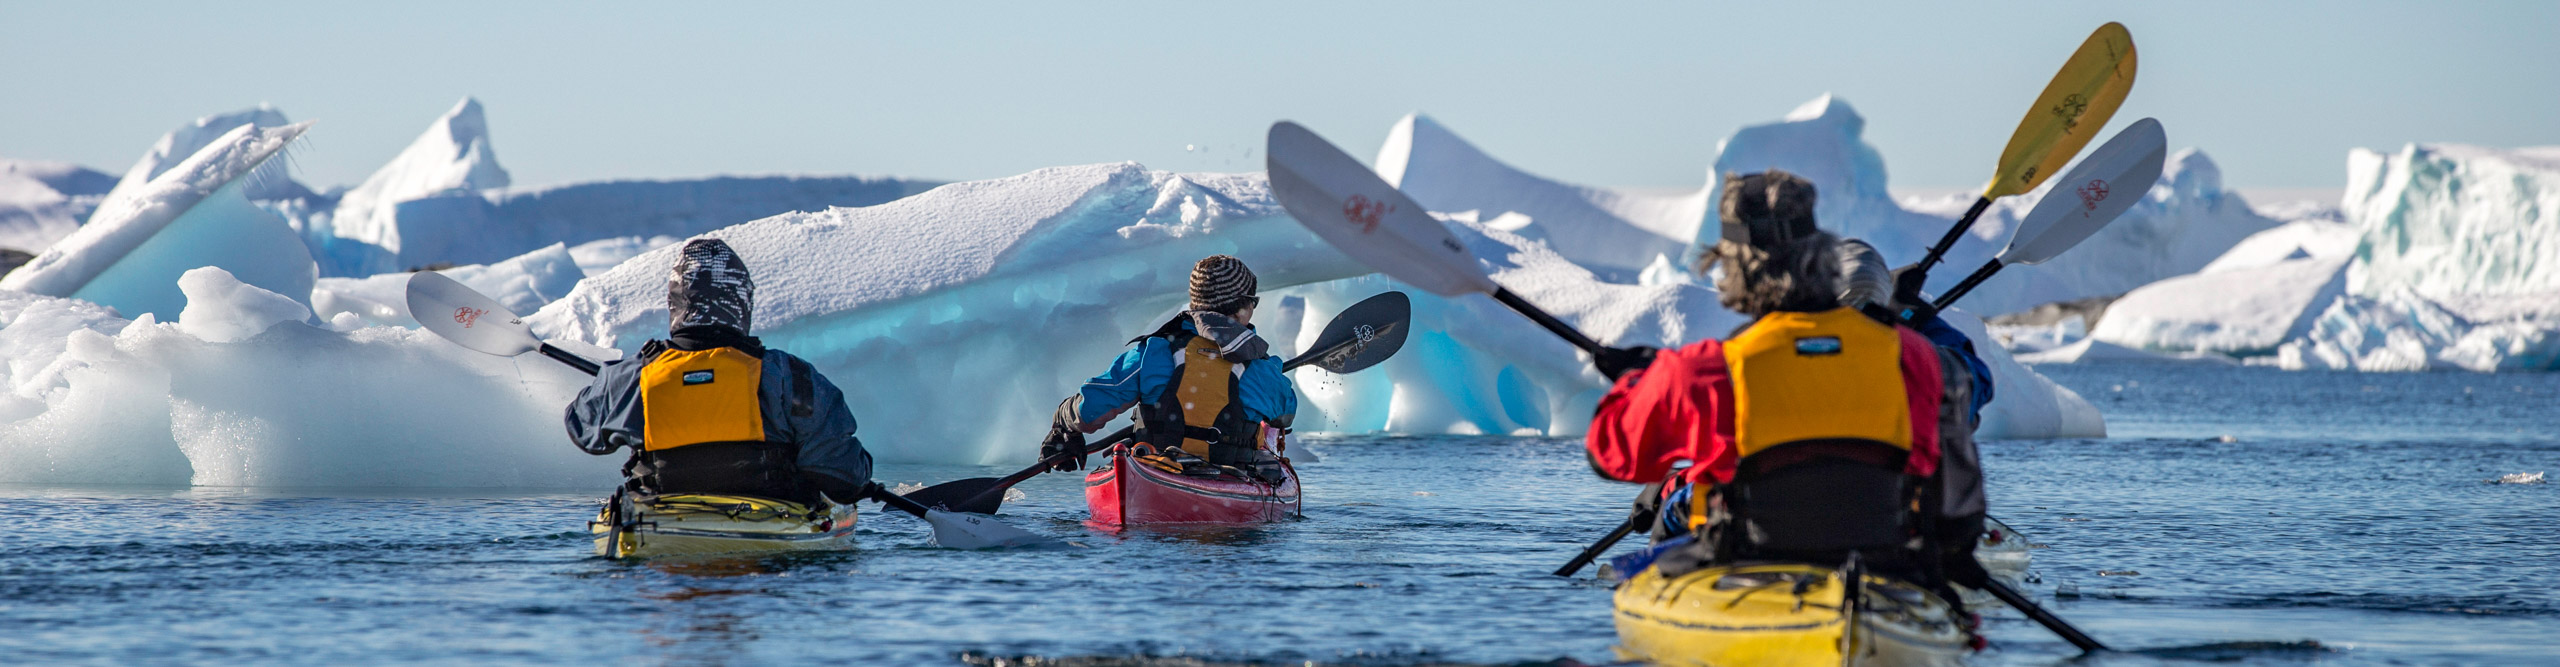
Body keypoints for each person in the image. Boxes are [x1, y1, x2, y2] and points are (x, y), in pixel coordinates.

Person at [1583, 169, 1971, 595]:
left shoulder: (1705, 368)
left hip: (1747, 561)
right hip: (1884, 559)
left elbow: (1613, 456)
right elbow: (1942, 460)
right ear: (1820, 254)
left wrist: (1635, 383)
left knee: (1675, 516)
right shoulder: (1914, 356)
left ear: (1734, 264)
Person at [564, 239, 875, 506]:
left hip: (660, 522)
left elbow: (584, 432)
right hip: (769, 519)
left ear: (675, 302)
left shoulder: (635, 373)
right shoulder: (789, 375)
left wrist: (613, 384)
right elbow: (838, 474)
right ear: (741, 303)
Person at [1042, 255, 1297, 482]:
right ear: (1241, 308)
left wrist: (1062, 426)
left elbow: (1089, 410)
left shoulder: (1155, 351)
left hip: (1156, 467)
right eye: (1253, 302)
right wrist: (1271, 372)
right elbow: (1284, 416)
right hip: (1228, 477)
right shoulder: (1259, 368)